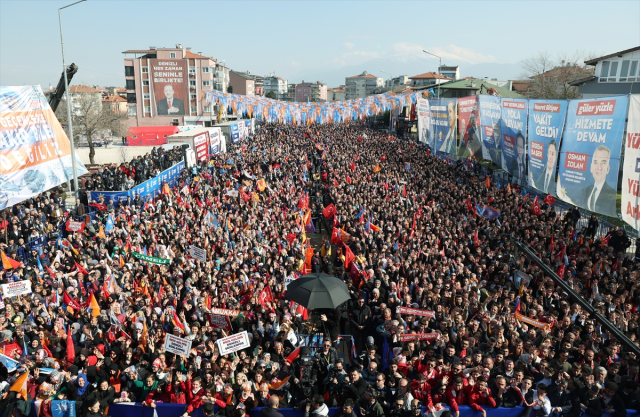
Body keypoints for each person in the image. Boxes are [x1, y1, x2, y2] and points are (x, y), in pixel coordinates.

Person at [579, 145, 616, 216]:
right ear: (591, 167)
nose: (599, 167)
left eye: (603, 162)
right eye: (595, 162)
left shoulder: (613, 196)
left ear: (608, 169)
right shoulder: (585, 191)